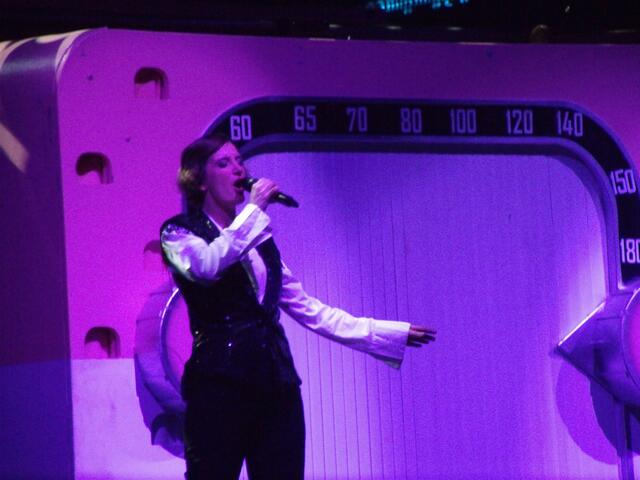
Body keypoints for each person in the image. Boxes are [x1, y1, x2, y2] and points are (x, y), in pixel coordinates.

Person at [160, 134, 436, 480]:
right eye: (224, 163)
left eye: (239, 161)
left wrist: (388, 333)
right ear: (199, 181)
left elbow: (311, 309)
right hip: (219, 384)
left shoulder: (260, 242)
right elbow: (208, 265)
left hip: (276, 383)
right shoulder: (179, 233)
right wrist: (254, 211)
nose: (238, 170)